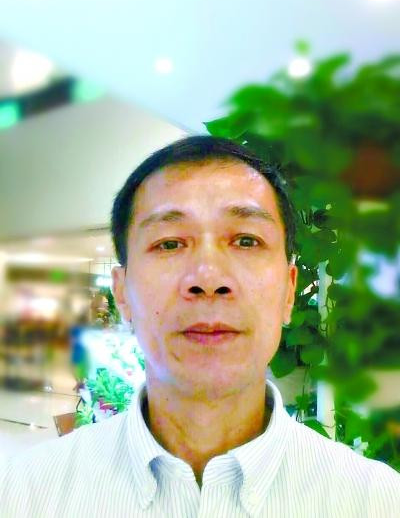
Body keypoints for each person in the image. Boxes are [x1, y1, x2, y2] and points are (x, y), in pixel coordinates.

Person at [1, 136, 399, 517]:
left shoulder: (376, 502)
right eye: (169, 243)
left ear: (289, 291)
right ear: (122, 293)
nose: (208, 277)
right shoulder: (24, 494)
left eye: (246, 241)